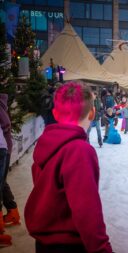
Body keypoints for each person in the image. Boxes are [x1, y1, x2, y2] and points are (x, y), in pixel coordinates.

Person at [24, 82, 113, 253]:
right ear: (92, 114)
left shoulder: (45, 145)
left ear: (55, 113)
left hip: (44, 244)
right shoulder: (79, 151)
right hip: (69, 245)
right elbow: (86, 211)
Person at [0, 94, 12, 247]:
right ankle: (13, 212)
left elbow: (6, 123)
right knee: (2, 182)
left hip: (2, 148)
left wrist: (6, 130)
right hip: (3, 147)